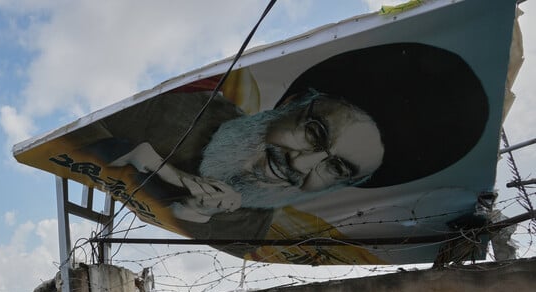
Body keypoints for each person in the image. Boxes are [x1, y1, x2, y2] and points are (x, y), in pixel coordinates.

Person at [90, 42, 488, 225]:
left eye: (336, 168)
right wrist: (147, 163)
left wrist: (193, 211)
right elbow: (81, 152)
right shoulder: (173, 108)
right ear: (292, 102)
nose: (299, 164)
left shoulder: (256, 220)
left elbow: (182, 218)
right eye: (314, 133)